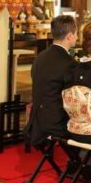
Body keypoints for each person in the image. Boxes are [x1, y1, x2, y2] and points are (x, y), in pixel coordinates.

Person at [26, 15, 77, 147]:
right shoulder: (69, 63)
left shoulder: (40, 57)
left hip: (36, 120)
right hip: (56, 123)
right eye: (76, 34)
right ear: (70, 36)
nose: (77, 37)